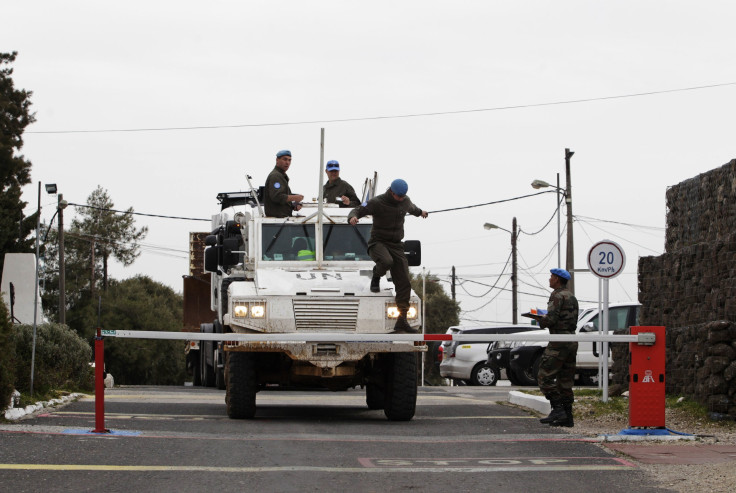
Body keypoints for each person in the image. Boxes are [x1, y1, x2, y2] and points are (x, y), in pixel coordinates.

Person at [348, 178, 428, 333]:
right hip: (378, 242)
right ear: (391, 192)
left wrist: (421, 213)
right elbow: (358, 209)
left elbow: (412, 208)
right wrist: (352, 217)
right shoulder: (377, 202)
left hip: (396, 244)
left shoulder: (404, 201)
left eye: (403, 196)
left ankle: (402, 320)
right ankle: (376, 275)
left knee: (404, 281)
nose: (401, 199)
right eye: (399, 196)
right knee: (386, 261)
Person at [536, 268, 579, 427]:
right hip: (571, 340)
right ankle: (567, 417)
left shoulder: (556, 295)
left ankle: (558, 409)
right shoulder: (572, 296)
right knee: (565, 380)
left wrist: (540, 320)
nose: (549, 279)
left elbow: (552, 319)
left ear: (558, 279)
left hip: (558, 341)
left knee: (543, 375)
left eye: (551, 277)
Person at [264, 150, 304, 217]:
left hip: (282, 219)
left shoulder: (281, 176)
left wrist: (293, 205)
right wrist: (295, 197)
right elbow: (277, 197)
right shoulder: (275, 176)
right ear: (277, 160)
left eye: (289, 160)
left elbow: (283, 198)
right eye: (285, 159)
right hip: (276, 221)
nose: (287, 163)